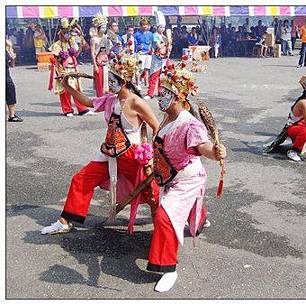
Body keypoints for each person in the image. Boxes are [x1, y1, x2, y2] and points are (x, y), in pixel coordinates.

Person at [41, 53, 160, 235]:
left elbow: (157, 128)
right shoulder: (110, 99)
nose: (109, 83)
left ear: (125, 80)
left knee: (152, 193)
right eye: (109, 78)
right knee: (81, 179)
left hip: (132, 155)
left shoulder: (137, 102)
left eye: (113, 79)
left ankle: (171, 224)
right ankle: (64, 221)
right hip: (109, 152)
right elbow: (88, 102)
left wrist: (151, 155)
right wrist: (67, 87)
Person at [146, 60, 227, 292]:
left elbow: (203, 147)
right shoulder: (167, 116)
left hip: (187, 178)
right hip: (168, 174)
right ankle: (199, 218)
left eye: (165, 93)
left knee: (165, 216)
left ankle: (168, 268)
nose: (159, 96)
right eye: (160, 92)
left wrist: (216, 151)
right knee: (175, 208)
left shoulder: (189, 124)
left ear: (179, 97)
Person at [48, 18, 93, 117]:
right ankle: (67, 110)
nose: (68, 34)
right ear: (61, 33)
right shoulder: (57, 45)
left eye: (69, 32)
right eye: (66, 33)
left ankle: (82, 109)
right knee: (65, 91)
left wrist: (81, 45)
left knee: (77, 90)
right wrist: (60, 72)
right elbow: (55, 60)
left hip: (73, 68)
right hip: (64, 70)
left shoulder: (72, 42)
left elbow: (76, 54)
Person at [147, 24, 170, 98]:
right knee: (154, 76)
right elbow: (159, 46)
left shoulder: (164, 36)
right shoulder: (154, 35)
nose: (162, 29)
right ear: (157, 28)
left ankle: (161, 92)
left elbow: (168, 47)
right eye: (160, 27)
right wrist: (166, 42)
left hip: (164, 58)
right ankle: (150, 93)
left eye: (163, 27)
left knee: (162, 76)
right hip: (156, 58)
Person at [90, 13, 110, 97]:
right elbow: (92, 53)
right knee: (99, 83)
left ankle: (106, 99)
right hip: (98, 63)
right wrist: (95, 66)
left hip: (105, 62)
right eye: (102, 27)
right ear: (98, 28)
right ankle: (99, 99)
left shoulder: (106, 38)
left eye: (105, 27)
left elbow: (108, 51)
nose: (104, 29)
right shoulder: (94, 39)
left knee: (106, 82)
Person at [6, 39, 23, 122]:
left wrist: (10, 49)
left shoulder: (6, 49)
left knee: (10, 92)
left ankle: (12, 115)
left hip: (6, 76)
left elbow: (12, 65)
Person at [134, 18, 154, 89]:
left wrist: (152, 50)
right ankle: (137, 84)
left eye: (146, 25)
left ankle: (147, 83)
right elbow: (134, 45)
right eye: (143, 25)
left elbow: (152, 43)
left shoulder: (151, 34)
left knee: (147, 69)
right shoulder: (136, 35)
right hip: (140, 54)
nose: (145, 26)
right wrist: (138, 47)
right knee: (139, 69)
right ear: (140, 26)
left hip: (148, 54)